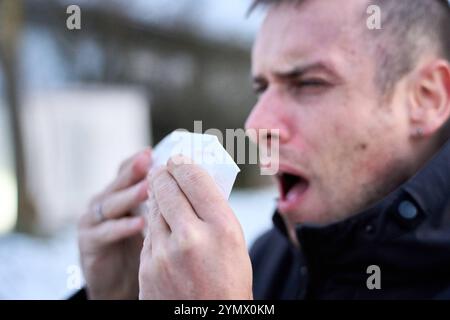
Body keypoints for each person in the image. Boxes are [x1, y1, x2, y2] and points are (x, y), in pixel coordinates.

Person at [75, 0, 450, 299]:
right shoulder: (265, 262)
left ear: (426, 98)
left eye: (308, 83)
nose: (255, 125)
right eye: (262, 88)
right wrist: (118, 296)